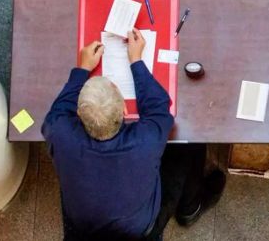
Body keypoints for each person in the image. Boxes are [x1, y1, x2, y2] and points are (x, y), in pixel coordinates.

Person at [42, 30, 225, 241]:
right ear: (124, 111)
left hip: (83, 228)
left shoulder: (61, 135)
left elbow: (56, 113)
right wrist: (136, 60)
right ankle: (190, 209)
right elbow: (159, 109)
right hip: (141, 231)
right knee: (189, 141)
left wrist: (83, 69)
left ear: (79, 117)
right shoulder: (144, 142)